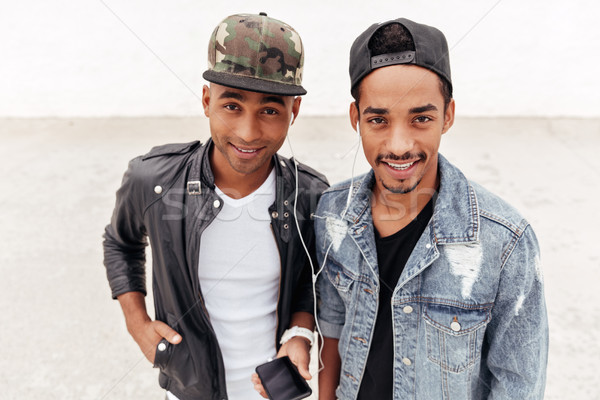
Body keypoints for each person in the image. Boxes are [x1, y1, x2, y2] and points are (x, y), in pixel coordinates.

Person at [315, 18, 548, 399]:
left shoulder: (505, 242)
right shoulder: (332, 214)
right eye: (378, 120)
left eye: (421, 118)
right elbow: (333, 330)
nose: (400, 144)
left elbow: (519, 384)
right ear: (356, 118)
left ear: (448, 115)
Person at [103, 12, 328, 400]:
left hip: (275, 393)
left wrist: (300, 333)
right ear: (207, 101)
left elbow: (312, 280)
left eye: (270, 110)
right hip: (188, 391)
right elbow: (120, 243)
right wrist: (137, 324)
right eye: (232, 106)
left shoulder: (310, 195)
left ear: (294, 112)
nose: (248, 132)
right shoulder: (153, 180)